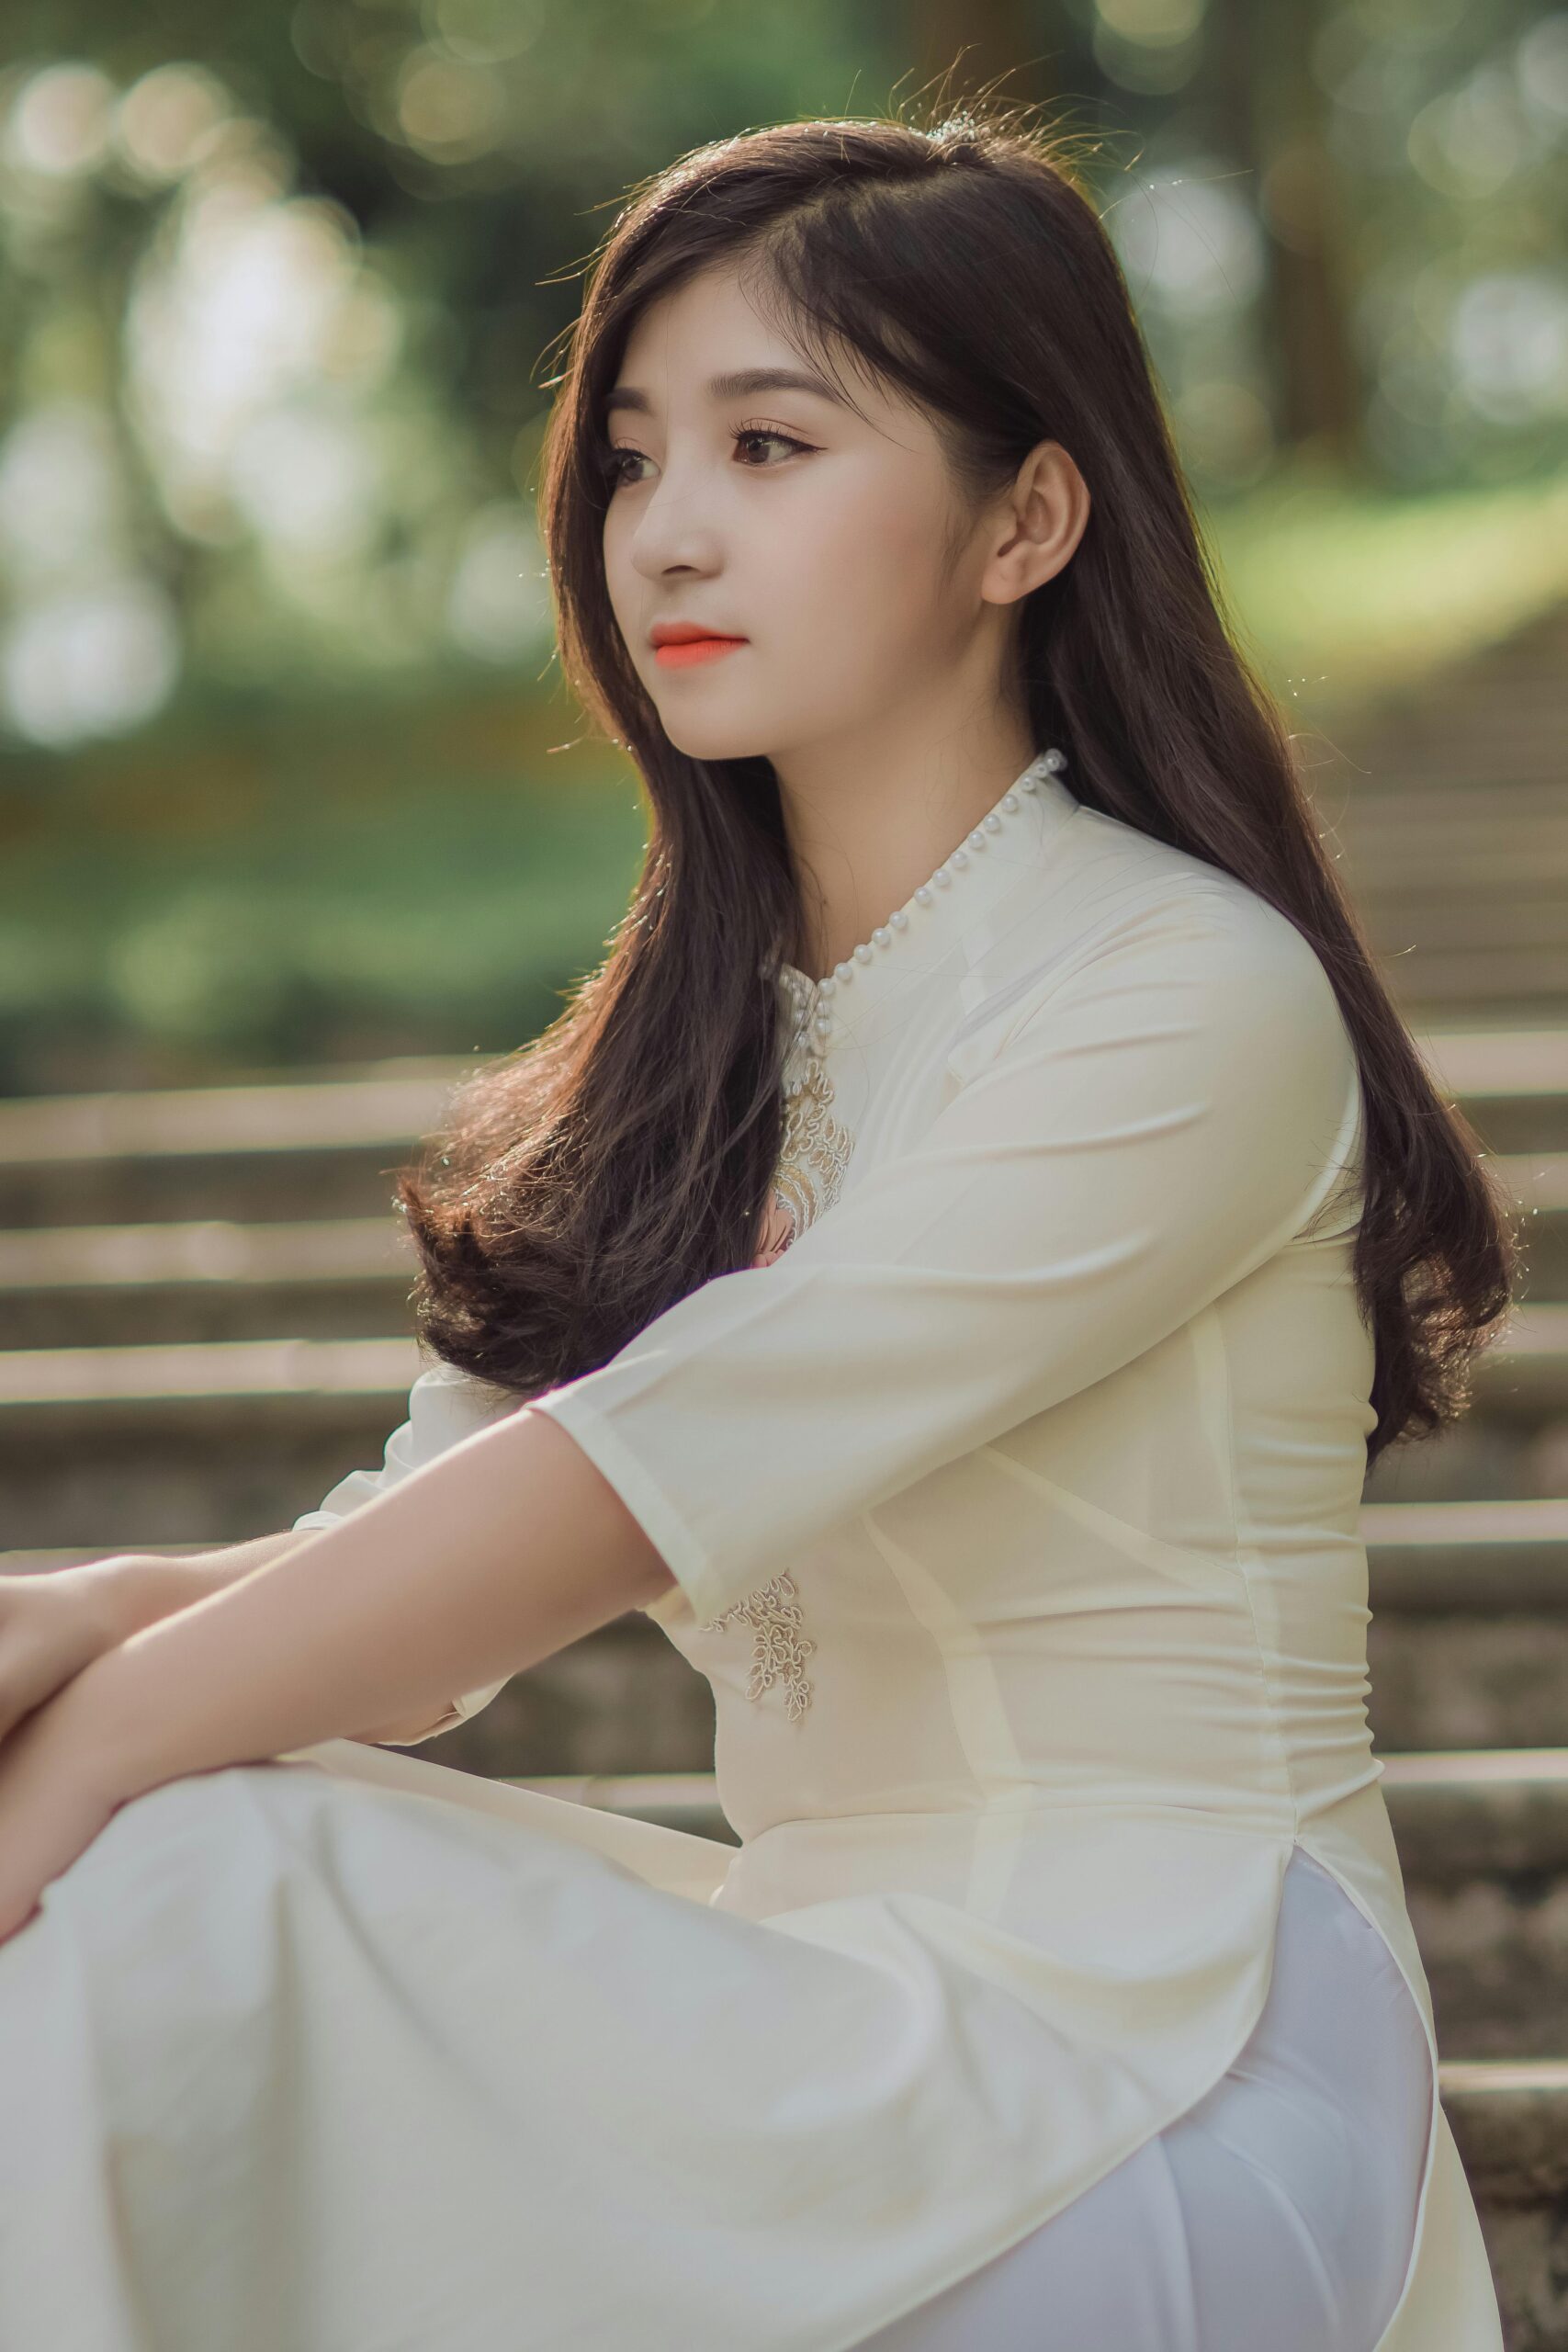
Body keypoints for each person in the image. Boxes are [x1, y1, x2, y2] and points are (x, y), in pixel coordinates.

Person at [0, 106, 1516, 2351]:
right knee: (166, 1883)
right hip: (832, 2024)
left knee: (186, 1875)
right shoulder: (696, 1047)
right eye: (629, 457)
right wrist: (97, 1615)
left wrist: (96, 1738)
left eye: (770, 446)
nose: (668, 531)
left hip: (1170, 2059)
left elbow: (615, 1491)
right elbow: (411, 1589)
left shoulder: (1177, 996)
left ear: (1024, 514)